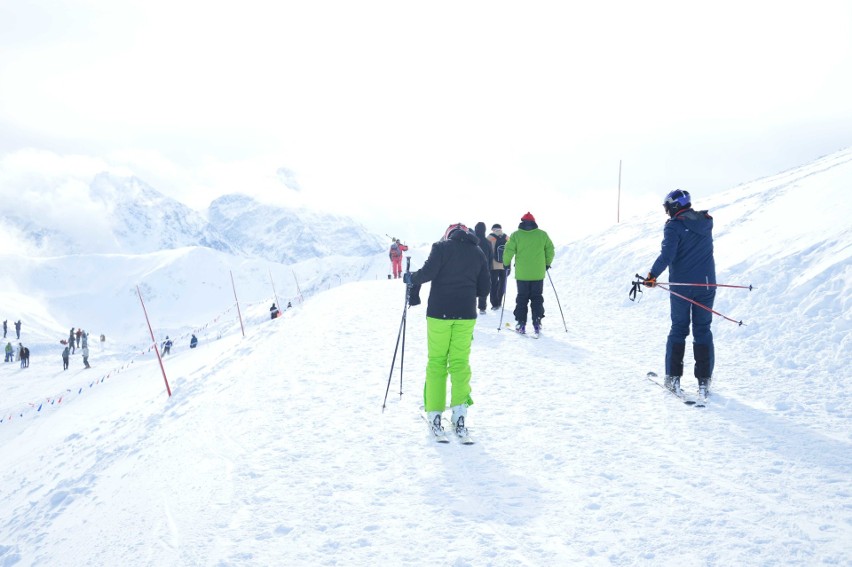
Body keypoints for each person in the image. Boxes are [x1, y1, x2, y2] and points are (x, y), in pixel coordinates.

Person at [404, 223, 491, 439]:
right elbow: (484, 289)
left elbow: (426, 274)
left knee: (437, 362)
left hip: (439, 313)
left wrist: (410, 279)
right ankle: (460, 414)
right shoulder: (478, 252)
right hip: (466, 315)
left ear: (448, 234)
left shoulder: (441, 248)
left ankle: (435, 415)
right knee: (460, 364)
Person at [642, 189, 716, 400]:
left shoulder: (674, 226)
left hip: (683, 287)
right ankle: (704, 382)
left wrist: (652, 276)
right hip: (708, 285)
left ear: (674, 206)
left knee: (679, 330)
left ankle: (673, 378)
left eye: (667, 207)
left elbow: (668, 254)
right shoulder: (706, 222)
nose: (666, 211)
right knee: (703, 330)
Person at [502, 212, 555, 336]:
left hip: (522, 274)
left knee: (522, 298)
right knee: (537, 297)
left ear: (522, 222)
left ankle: (521, 323)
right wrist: (547, 263)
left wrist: (506, 263)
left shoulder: (516, 235)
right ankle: (537, 321)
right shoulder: (542, 235)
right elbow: (550, 250)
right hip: (538, 273)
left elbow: (508, 250)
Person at [473, 222, 494, 315]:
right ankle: (482, 308)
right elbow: (490, 256)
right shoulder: (487, 242)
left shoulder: (472, 241)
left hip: (472, 268)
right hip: (485, 268)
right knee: (483, 286)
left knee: (471, 287)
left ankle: (471, 306)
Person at [487, 223, 508, 310]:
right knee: (502, 283)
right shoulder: (507, 237)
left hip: (493, 265)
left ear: (493, 229)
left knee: (493, 284)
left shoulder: (489, 237)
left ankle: (494, 304)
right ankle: (500, 301)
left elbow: (486, 251)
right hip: (504, 264)